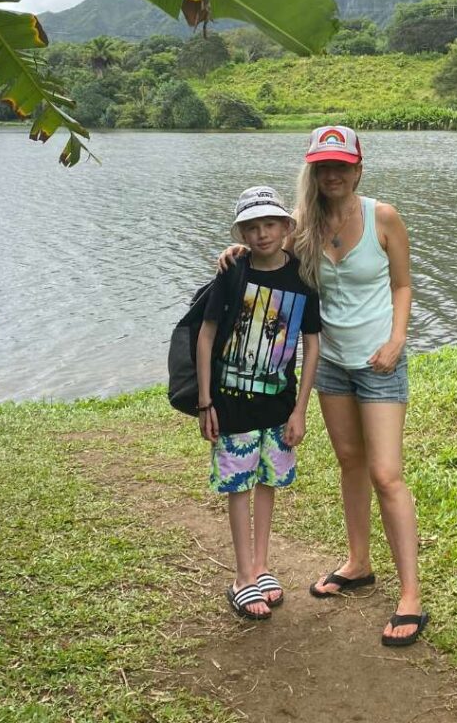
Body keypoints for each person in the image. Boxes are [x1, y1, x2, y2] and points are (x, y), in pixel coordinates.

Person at [221, 127, 426, 646]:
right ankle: (358, 563)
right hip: (330, 366)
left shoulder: (384, 217)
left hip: (379, 363)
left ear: (358, 169)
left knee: (386, 474)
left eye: (342, 165)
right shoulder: (301, 227)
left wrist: (398, 340)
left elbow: (402, 284)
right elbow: (263, 249)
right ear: (313, 171)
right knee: (350, 462)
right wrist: (232, 252)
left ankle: (411, 596)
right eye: (323, 166)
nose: (332, 174)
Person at [198, 185, 321, 621]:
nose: (262, 233)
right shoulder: (233, 271)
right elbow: (207, 333)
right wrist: (205, 401)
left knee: (268, 482)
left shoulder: (302, 277)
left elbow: (311, 343)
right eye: (251, 227)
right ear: (241, 233)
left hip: (278, 404)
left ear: (287, 227)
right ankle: (242, 577)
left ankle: (262, 567)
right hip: (231, 407)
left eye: (270, 224)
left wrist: (300, 409)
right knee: (238, 486)